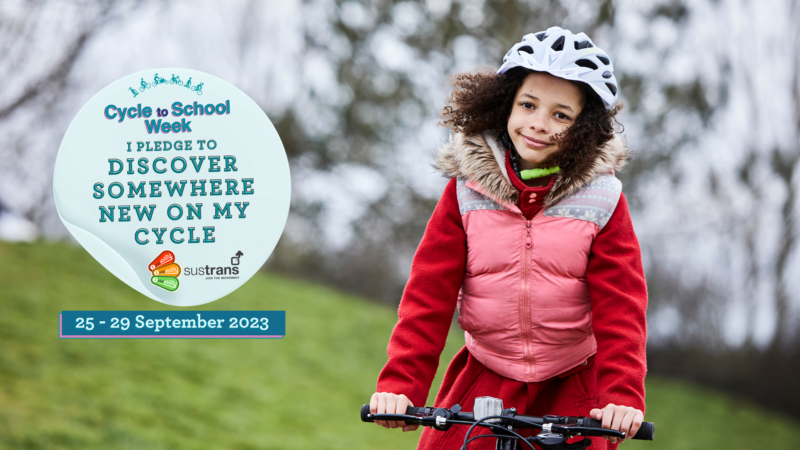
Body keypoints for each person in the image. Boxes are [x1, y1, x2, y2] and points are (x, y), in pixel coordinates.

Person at [369, 26, 647, 449]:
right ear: (505, 107)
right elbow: (428, 297)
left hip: (574, 385)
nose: (538, 124)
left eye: (560, 115)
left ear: (584, 128)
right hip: (486, 377)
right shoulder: (464, 193)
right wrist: (401, 386)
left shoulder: (603, 200)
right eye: (528, 105)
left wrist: (621, 398)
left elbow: (622, 310)